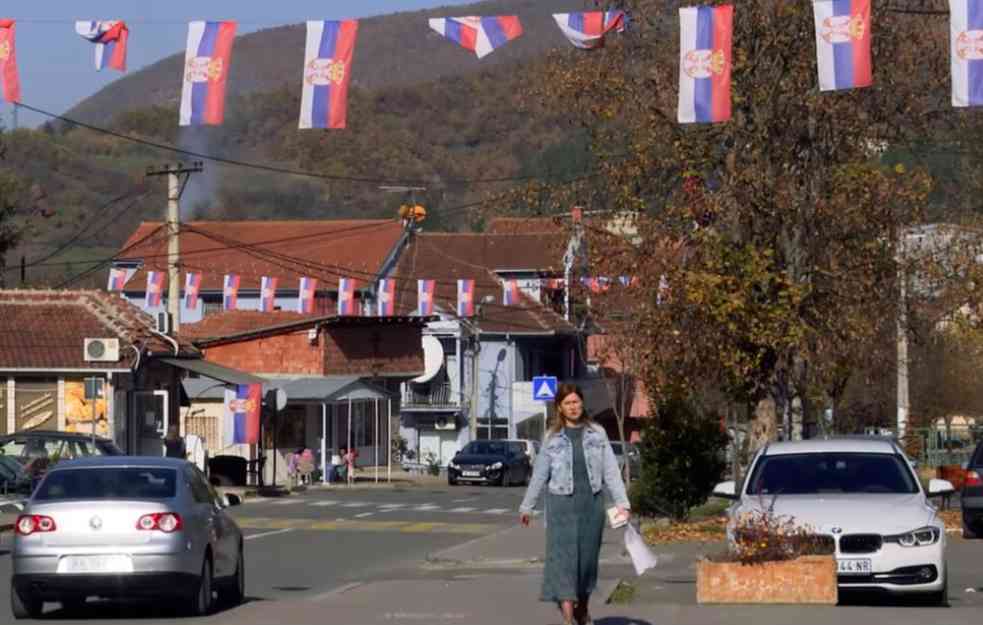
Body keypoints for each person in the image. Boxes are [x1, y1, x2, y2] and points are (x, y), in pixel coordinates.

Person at [519, 383, 630, 625]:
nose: (573, 407)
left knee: (587, 563)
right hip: (560, 507)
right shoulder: (551, 437)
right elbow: (539, 474)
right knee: (565, 562)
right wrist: (527, 506)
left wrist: (623, 503)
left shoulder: (597, 433)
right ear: (559, 407)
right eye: (568, 403)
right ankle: (568, 618)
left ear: (582, 403)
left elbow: (611, 471)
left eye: (576, 402)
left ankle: (582, 609)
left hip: (591, 506)